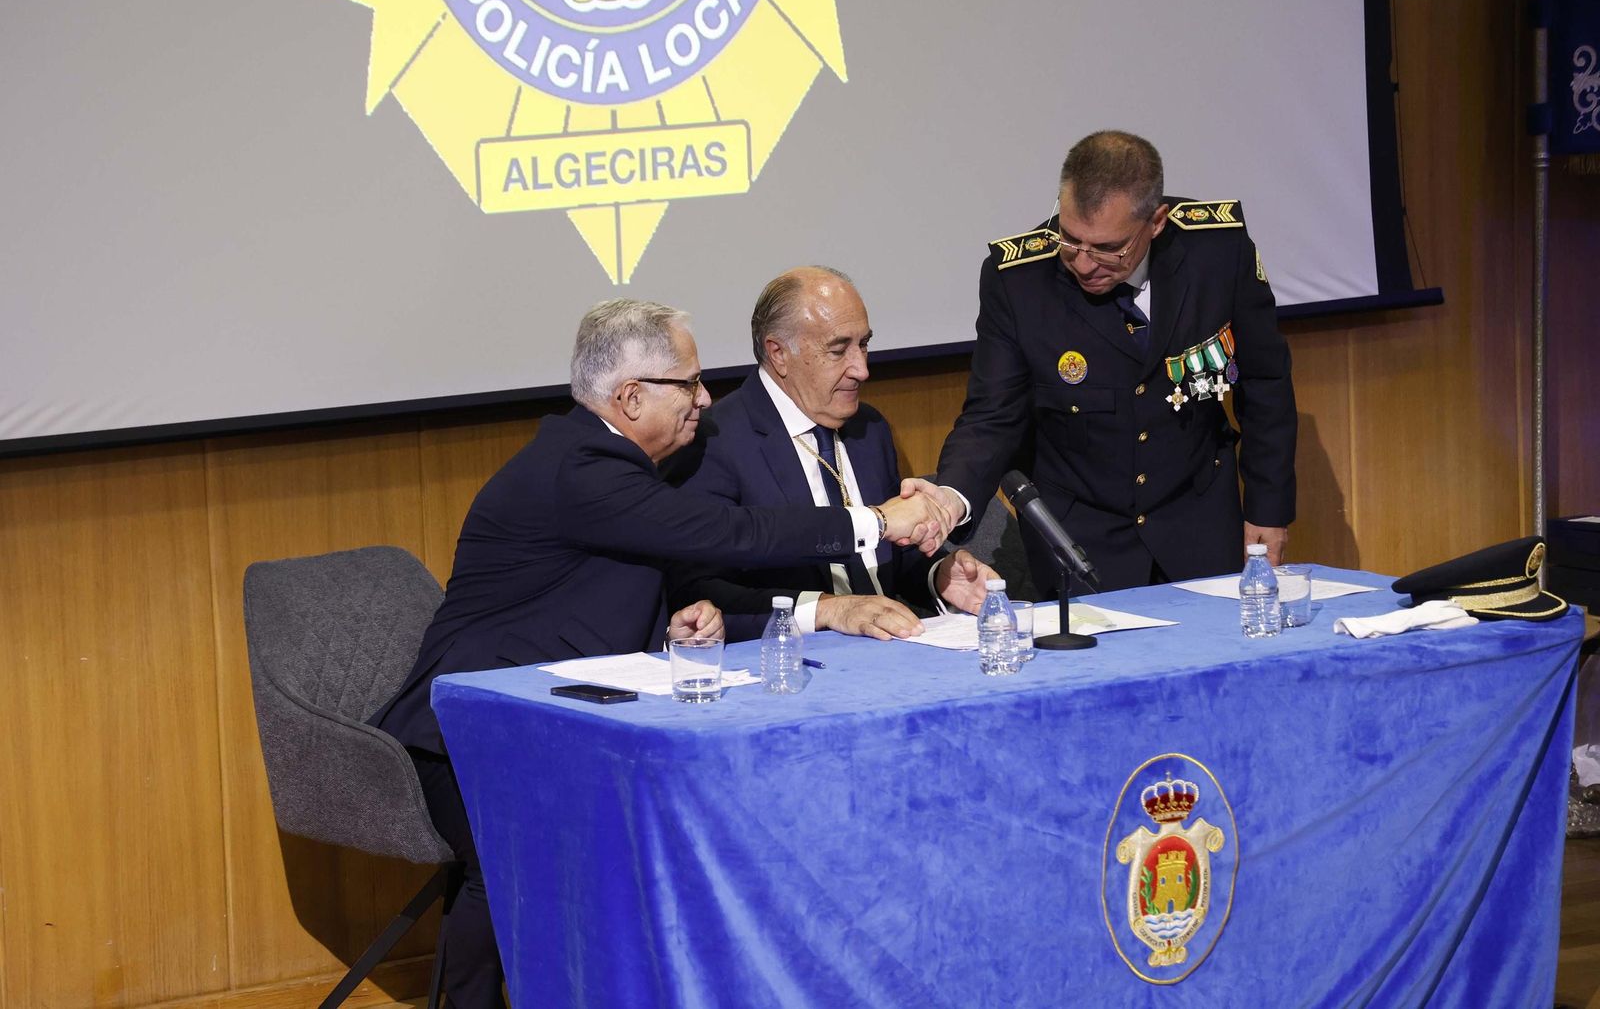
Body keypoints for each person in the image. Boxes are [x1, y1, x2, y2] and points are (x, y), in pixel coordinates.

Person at [369, 299, 950, 1008]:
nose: (706, 399)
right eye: (691, 383)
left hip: (557, 719)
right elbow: (730, 534)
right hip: (462, 734)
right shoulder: (581, 466)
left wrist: (676, 625)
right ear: (631, 396)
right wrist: (877, 521)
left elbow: (590, 592)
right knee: (518, 853)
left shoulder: (613, 467)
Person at [933, 130, 1297, 595]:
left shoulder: (1217, 253)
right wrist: (948, 499)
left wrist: (1268, 509)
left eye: (1108, 248)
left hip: (1199, 522)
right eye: (1069, 239)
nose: (1083, 264)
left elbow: (1265, 383)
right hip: (1078, 539)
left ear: (1157, 221)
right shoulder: (1020, 281)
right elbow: (991, 416)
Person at [665, 267, 998, 641]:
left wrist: (938, 575)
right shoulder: (715, 440)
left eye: (864, 345)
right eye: (839, 350)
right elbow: (697, 597)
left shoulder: (869, 428)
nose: (862, 369)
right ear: (779, 354)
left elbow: (887, 557)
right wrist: (828, 609)